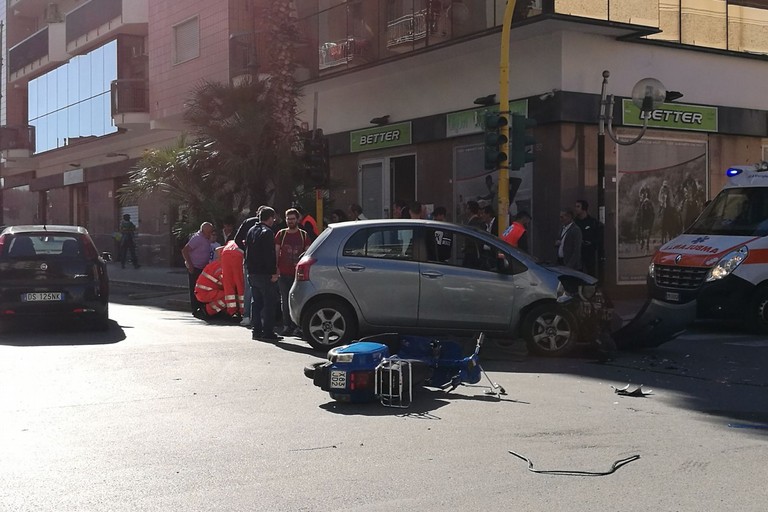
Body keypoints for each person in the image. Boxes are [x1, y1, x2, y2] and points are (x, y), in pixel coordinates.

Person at [245, 207, 281, 341]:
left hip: (252, 272)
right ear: (270, 218)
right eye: (273, 218)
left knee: (257, 303)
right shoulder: (267, 233)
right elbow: (269, 255)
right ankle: (268, 331)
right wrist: (273, 272)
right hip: (264, 273)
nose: (274, 220)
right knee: (269, 303)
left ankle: (256, 330)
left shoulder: (251, 230)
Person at [275, 208, 311, 336]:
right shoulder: (281, 234)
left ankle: (298, 327)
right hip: (283, 273)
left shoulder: (303, 235)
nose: (290, 221)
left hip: (298, 274)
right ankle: (286, 326)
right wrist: (276, 267)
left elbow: (308, 253)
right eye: (288, 219)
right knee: (284, 300)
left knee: (298, 300)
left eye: (292, 219)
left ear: (297, 219)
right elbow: (276, 251)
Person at [181, 222, 215, 318]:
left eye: (211, 232)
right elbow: (185, 250)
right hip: (195, 267)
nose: (209, 234)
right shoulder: (197, 238)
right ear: (203, 231)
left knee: (203, 288)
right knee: (194, 288)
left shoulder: (208, 239)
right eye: (208, 232)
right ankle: (195, 309)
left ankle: (202, 307)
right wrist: (190, 265)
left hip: (204, 267)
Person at [573, 199, 600, 277]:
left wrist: (591, 243)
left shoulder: (593, 222)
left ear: (584, 208)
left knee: (590, 272)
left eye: (578, 206)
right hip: (577, 252)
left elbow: (597, 236)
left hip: (589, 252)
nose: (576, 209)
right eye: (575, 206)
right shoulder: (574, 222)